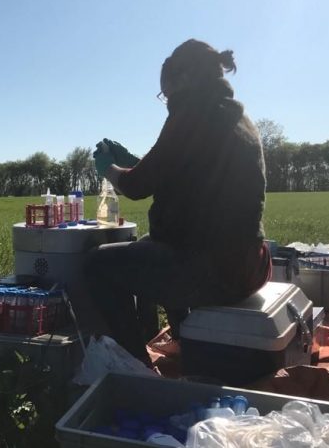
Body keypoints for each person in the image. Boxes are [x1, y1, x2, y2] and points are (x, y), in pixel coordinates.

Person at [85, 39, 272, 365]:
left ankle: (135, 366)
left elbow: (137, 185)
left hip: (214, 271)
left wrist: (109, 169)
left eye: (166, 92)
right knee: (149, 246)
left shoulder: (193, 112)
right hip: (250, 264)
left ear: (184, 79)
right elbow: (188, 175)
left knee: (97, 265)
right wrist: (138, 162)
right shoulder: (235, 116)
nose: (168, 100)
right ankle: (188, 344)